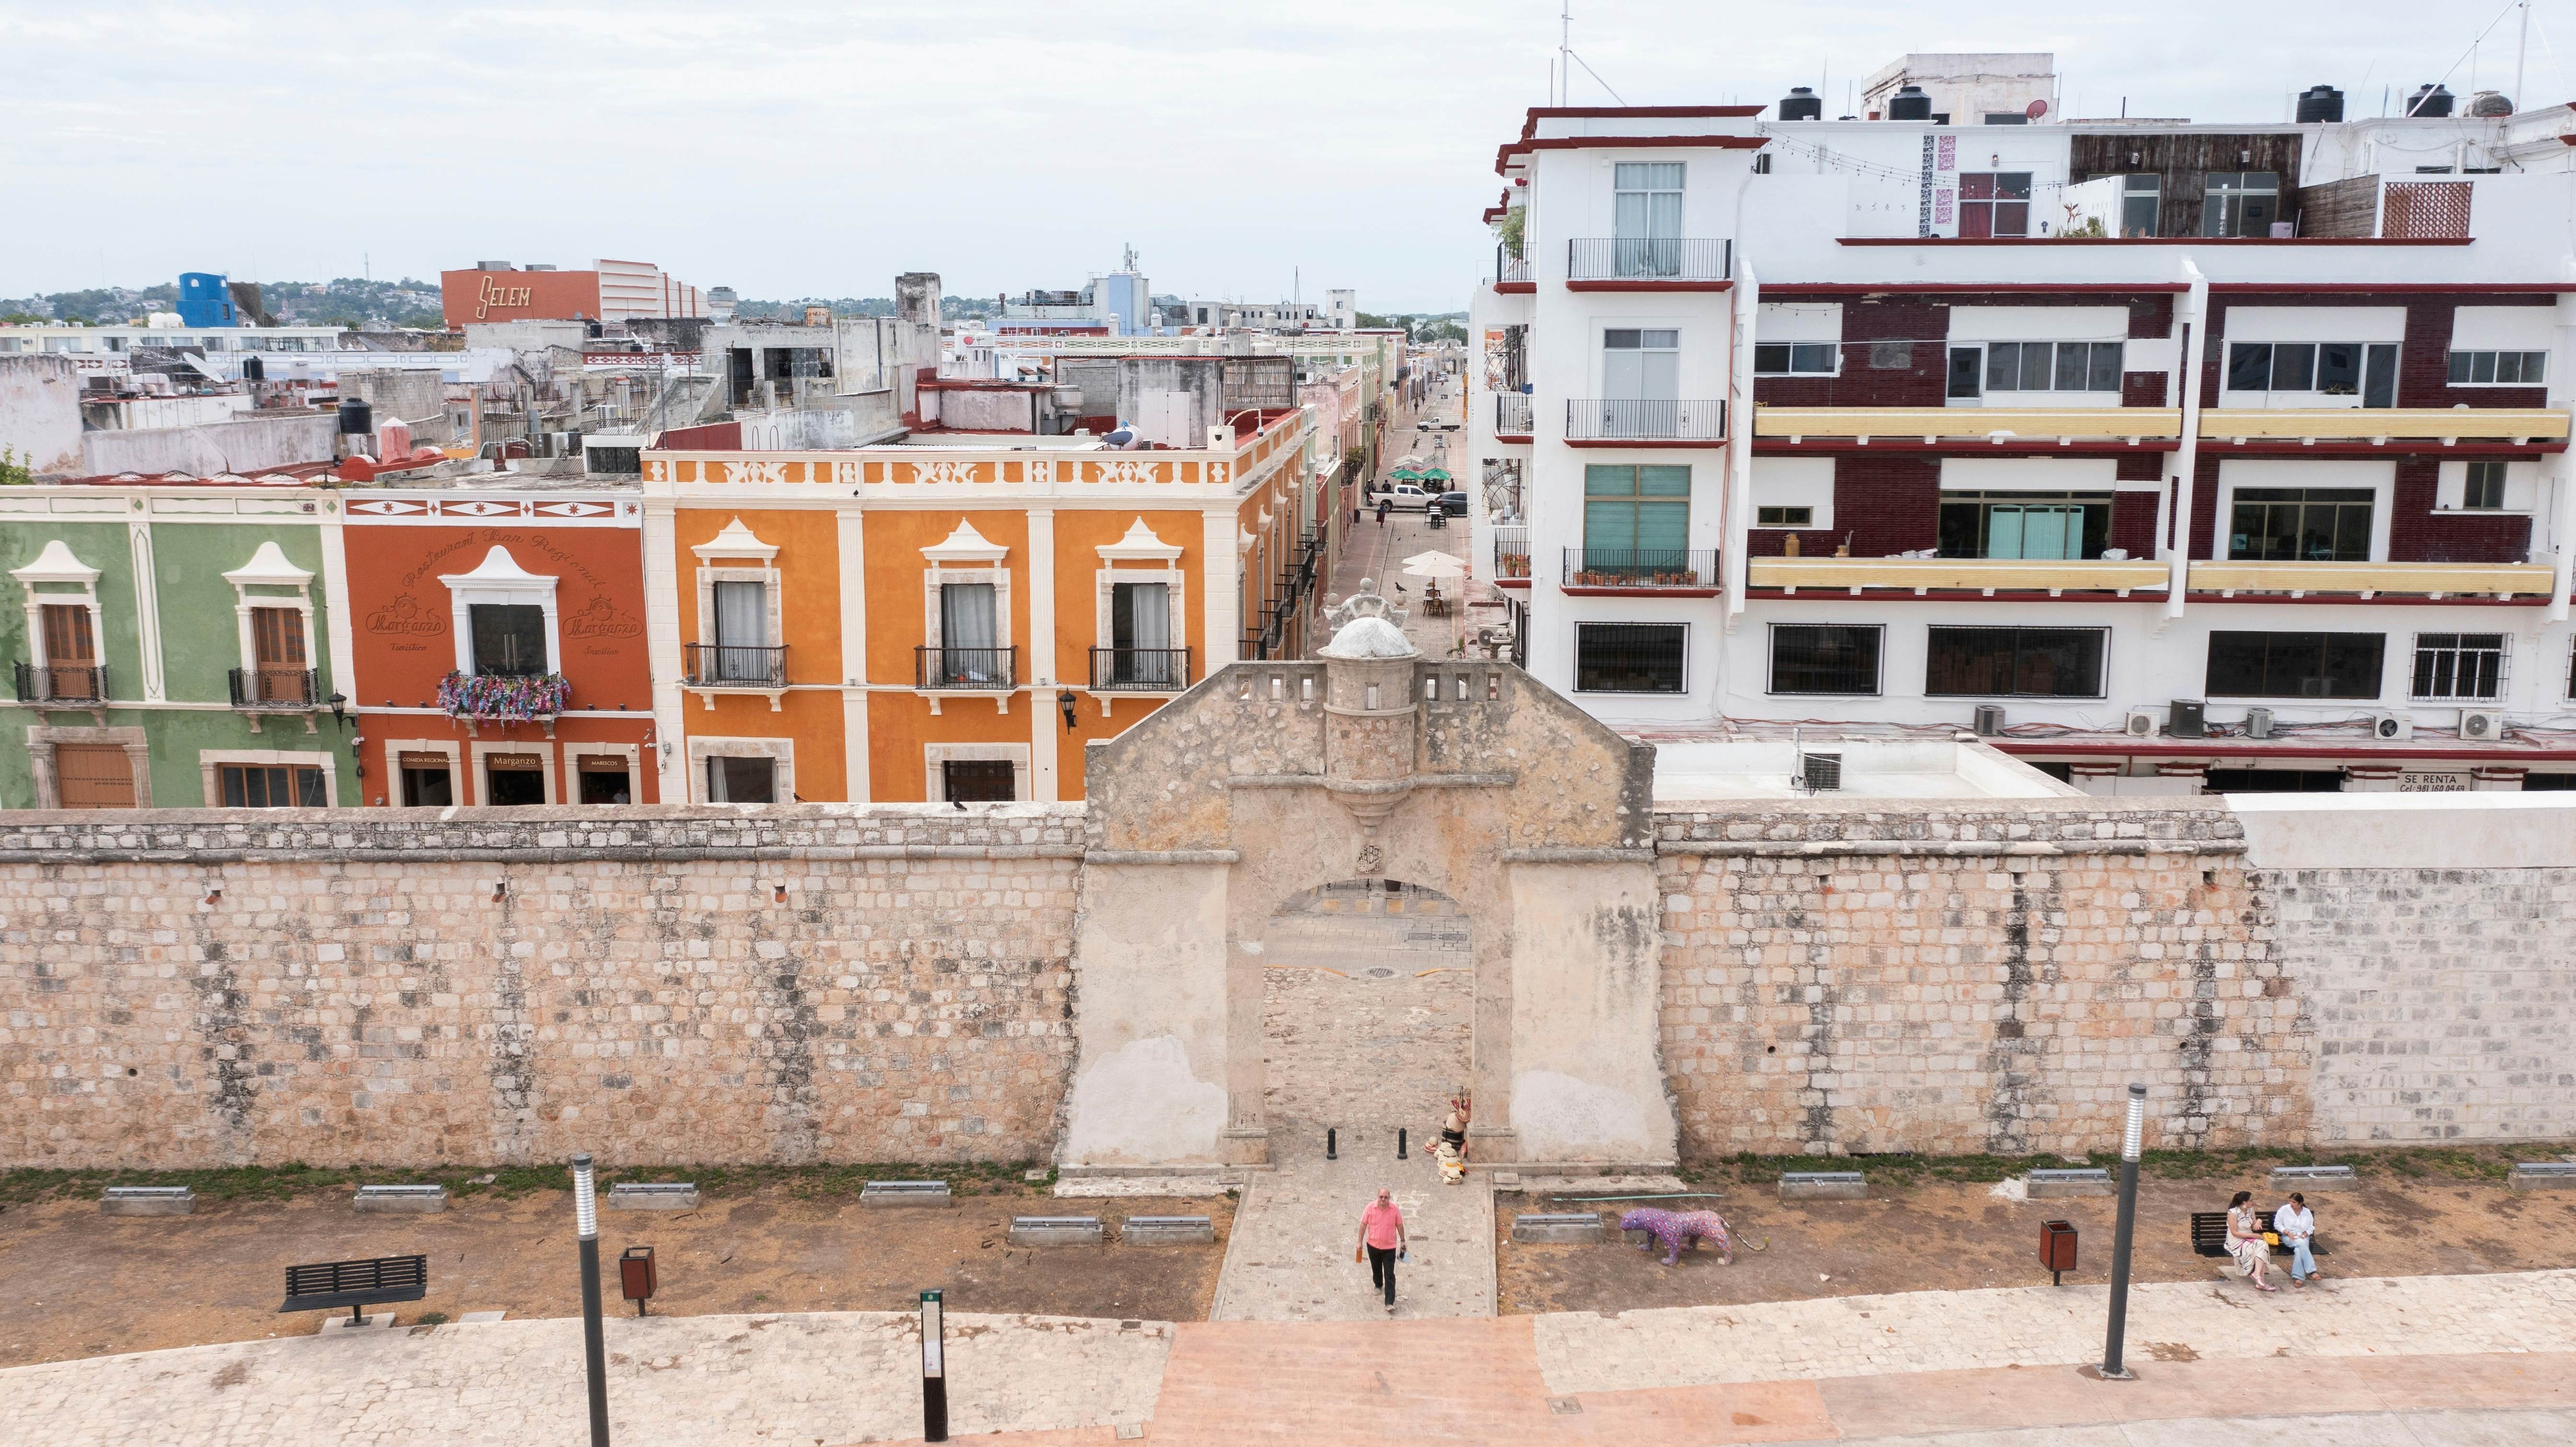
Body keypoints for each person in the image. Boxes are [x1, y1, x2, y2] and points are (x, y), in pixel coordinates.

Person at [1354, 1187, 1407, 1314]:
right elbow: (1363, 1225)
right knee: (1376, 1268)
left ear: (1389, 1198)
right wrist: (1360, 1242)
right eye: (1381, 1197)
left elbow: (1399, 1225)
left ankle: (1389, 1302)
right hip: (1373, 1245)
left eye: (1386, 1197)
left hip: (1389, 1247)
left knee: (1390, 1274)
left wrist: (1403, 1241)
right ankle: (1378, 1284)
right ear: (1378, 1197)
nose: (1383, 1199)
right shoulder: (1370, 1208)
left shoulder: (1394, 1209)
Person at [2225, 1189, 2279, 1292]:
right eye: (2251, 1201)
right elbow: (2235, 1233)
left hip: (2249, 1238)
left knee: (2263, 1245)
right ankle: (2260, 1280)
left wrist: (2259, 1221)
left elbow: (2254, 1225)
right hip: (2236, 1240)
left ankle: (2257, 1275)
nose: (2253, 1202)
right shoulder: (2233, 1213)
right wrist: (2253, 1236)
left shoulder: (2250, 1210)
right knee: (2258, 1247)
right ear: (2245, 1202)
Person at [2273, 1191, 2321, 1286]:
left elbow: (2311, 1227)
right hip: (2289, 1237)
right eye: (2290, 1201)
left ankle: (2299, 1277)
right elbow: (2277, 1224)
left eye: (2294, 1202)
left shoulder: (2306, 1213)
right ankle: (2312, 1271)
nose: (2291, 1204)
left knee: (2299, 1250)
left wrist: (2304, 1235)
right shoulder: (2284, 1210)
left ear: (2301, 1203)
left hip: (2303, 1237)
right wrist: (2288, 1233)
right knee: (2301, 1244)